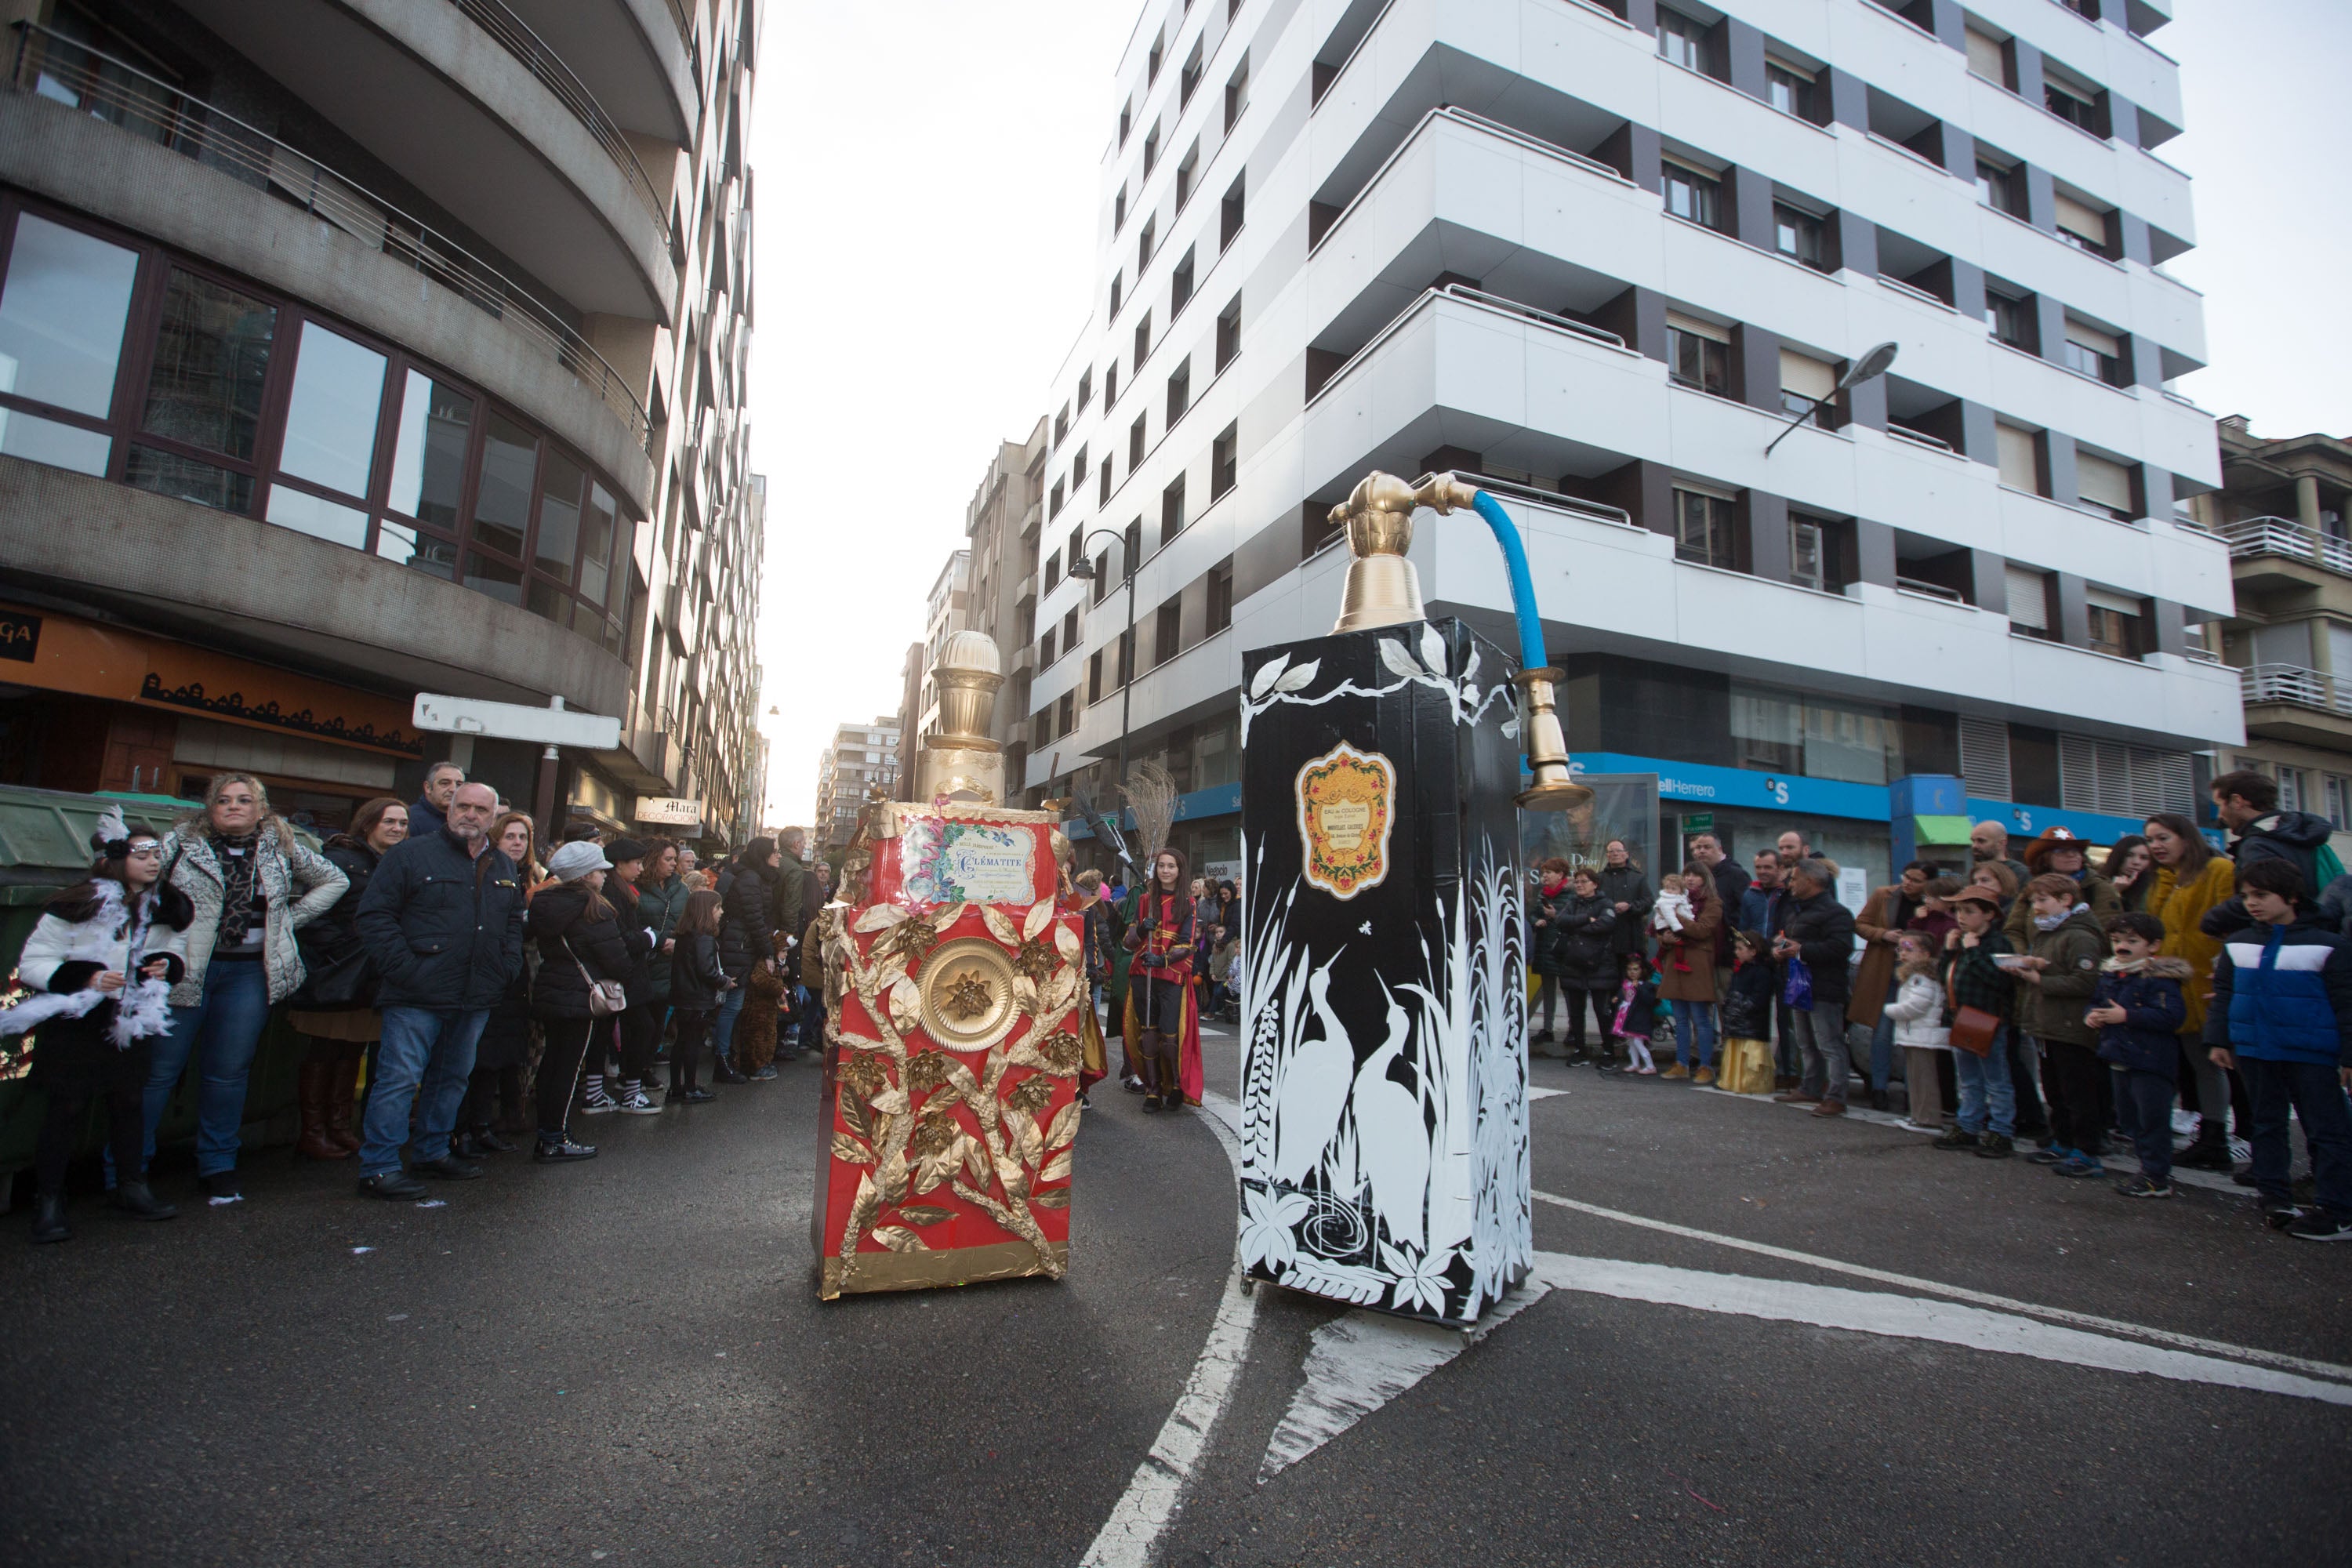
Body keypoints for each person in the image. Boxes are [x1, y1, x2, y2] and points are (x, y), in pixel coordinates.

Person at [132, 775, 347, 1203]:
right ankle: (128, 1168)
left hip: (248, 976)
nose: (234, 806)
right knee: (158, 1073)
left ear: (262, 809)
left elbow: (334, 880)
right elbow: (134, 880)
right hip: (184, 972)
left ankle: (217, 1165)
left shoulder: (280, 848)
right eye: (224, 800)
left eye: (245, 800)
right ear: (209, 808)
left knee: (228, 1074)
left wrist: (287, 921)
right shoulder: (179, 843)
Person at [8, 810, 192, 1242]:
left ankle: (131, 1187)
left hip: (133, 1015)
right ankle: (49, 1200)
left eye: (156, 854)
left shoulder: (167, 903)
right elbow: (33, 963)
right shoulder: (77, 903)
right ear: (115, 857)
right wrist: (86, 976)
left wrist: (169, 965)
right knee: (67, 1107)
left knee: (128, 1104)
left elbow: (175, 947)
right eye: (141, 853)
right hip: (78, 1019)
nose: (152, 861)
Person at [350, 782, 525, 1199]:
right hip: (416, 994)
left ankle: (431, 1151)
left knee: (452, 1079)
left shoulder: (502, 865)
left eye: (480, 809)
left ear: (493, 816)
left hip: (475, 993)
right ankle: (379, 1167)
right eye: (462, 806)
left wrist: (506, 967)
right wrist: (406, 970)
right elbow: (375, 917)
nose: (470, 815)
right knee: (398, 1079)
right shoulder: (410, 855)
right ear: (448, 810)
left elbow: (513, 924)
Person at [2205, 857, 2352, 1240]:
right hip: (2254, 1049)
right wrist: (2219, 1039)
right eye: (2246, 896)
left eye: (2261, 895)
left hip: (2312, 1052)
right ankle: (2274, 1195)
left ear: (2291, 896)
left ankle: (2338, 1209)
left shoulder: (2328, 944)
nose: (2251, 903)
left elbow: (2347, 1003)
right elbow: (2224, 994)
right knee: (2266, 1124)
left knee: (2327, 1129)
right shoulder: (2239, 943)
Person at [285, 796, 406, 1162]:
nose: (398, 829)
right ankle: (313, 1131)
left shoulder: (398, 863)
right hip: (336, 972)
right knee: (324, 1049)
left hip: (372, 974)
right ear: (368, 823)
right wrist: (340, 951)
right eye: (390, 822)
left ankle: (339, 1127)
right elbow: (313, 913)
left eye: (403, 823)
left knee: (353, 1049)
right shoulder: (338, 858)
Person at [524, 841, 638, 1163]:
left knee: (551, 1064)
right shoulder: (594, 909)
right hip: (581, 996)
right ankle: (555, 1137)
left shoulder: (543, 903)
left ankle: (547, 1132)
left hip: (550, 990)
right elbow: (617, 959)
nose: (604, 875)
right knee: (569, 1068)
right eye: (600, 870)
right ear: (587, 875)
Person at [2142, 811, 2243, 1171]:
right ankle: (2210, 1136)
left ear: (2187, 838)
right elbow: (2158, 933)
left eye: (2163, 838)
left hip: (2213, 985)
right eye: (2151, 840)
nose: (2155, 846)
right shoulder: (2166, 879)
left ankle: (2223, 1138)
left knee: (2224, 1064)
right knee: (2200, 1064)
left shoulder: (2218, 871)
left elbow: (2230, 925)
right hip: (2178, 988)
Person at [455, 811, 543, 1156]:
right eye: (510, 837)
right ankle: (460, 1130)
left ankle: (482, 1125)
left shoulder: (526, 876)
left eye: (523, 838)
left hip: (513, 976)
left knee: (498, 1058)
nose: (518, 843)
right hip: (487, 975)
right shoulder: (483, 870)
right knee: (474, 1059)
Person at [2011, 871, 2110, 1180]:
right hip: (2049, 1023)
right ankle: (2063, 1140)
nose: (2036, 907)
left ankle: (2087, 1150)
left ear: (2066, 900)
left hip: (2072, 1025)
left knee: (2079, 1091)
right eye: (2033, 901)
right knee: (2055, 1089)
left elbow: (2087, 980)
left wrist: (2040, 979)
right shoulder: (2047, 931)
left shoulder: (2080, 935)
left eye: (2042, 900)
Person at [2088, 912, 2190, 1199]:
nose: (2122, 946)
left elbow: (2172, 1016)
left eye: (2132, 941)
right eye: (2117, 940)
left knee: (2152, 1118)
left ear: (2153, 946)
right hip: (2118, 1055)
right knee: (2130, 1119)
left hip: (2150, 1060)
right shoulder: (2111, 973)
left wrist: (2126, 1016)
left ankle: (2156, 1175)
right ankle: (2148, 1169)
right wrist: (2092, 1017)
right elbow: (2096, 1003)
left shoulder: (2159, 977)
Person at [2201, 769, 2336, 941]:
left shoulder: (2258, 845)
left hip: (2282, 938)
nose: (2220, 815)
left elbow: (2261, 892)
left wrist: (2212, 921)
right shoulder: (2300, 834)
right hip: (2317, 932)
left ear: (2237, 801)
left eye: (2219, 805)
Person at [1936, 886, 2019, 1157]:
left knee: (1996, 1079)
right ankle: (1968, 1126)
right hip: (1961, 1016)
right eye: (1958, 910)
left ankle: (2001, 1133)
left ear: (1988, 915)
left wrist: (1972, 952)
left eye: (1969, 911)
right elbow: (1944, 977)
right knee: (1969, 1079)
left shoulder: (1998, 943)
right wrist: (1949, 952)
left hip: (1987, 1018)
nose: (1961, 916)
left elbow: (2001, 981)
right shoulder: (1962, 939)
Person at [1771, 858, 1857, 1116]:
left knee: (1829, 1043)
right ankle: (1810, 1086)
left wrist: (1803, 950)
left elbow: (1842, 948)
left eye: (1795, 879)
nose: (1790, 883)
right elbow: (1788, 939)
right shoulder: (1797, 911)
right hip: (1799, 984)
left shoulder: (1837, 912)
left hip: (1824, 987)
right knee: (1805, 1042)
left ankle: (1836, 1096)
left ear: (1810, 881)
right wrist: (1779, 948)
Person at [1853, 860, 1940, 1111]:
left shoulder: (1932, 903)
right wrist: (1884, 935)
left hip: (1919, 974)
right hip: (1886, 970)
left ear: (1928, 884)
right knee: (1882, 1031)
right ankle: (1879, 1087)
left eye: (1915, 880)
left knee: (1916, 1033)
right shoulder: (1885, 895)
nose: (1908, 883)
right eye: (1906, 877)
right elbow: (1860, 924)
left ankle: (1914, 1093)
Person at [1123, 848, 1203, 1112]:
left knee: (1169, 1037)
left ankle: (1177, 1084)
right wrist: (1140, 929)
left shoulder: (1188, 903)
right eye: (1161, 866)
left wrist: (1164, 960)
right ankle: (1153, 1089)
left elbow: (1188, 944)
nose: (1166, 871)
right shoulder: (1145, 900)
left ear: (1180, 871)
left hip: (1170, 975)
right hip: (1143, 973)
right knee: (1148, 1033)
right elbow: (1129, 941)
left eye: (1171, 866)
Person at [713, 837, 780, 1083]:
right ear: (763, 855)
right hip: (738, 947)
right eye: (774, 852)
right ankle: (722, 1059)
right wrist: (768, 952)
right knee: (733, 1005)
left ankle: (727, 1056)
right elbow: (755, 919)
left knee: (735, 1005)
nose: (778, 856)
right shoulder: (751, 878)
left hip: (740, 945)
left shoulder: (753, 876)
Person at [1878, 930, 1951, 1132]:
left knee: (1924, 1079)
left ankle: (1928, 1118)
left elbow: (1917, 1005)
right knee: (1915, 1078)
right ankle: (1918, 1115)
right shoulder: (1914, 976)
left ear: (1926, 953)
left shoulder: (1923, 978)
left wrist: (1890, 1010)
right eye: (1900, 949)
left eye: (1909, 949)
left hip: (1923, 1035)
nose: (1903, 954)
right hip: (1916, 1035)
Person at [2004, 828, 2121, 950]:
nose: (2071, 855)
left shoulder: (2098, 887)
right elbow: (2014, 930)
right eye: (2061, 851)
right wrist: (2024, 959)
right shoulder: (2032, 889)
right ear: (2045, 858)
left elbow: (2108, 933)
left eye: (2075, 851)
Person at [1656, 867, 1719, 1082]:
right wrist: (1664, 937)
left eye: (1695, 875)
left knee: (1701, 1019)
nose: (1690, 879)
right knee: (1680, 1019)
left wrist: (1674, 915)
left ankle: (1705, 1065)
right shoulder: (1672, 898)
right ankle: (1681, 1063)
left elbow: (1702, 930)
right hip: (1676, 960)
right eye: (1687, 875)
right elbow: (1658, 928)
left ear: (1705, 878)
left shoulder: (1712, 902)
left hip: (1698, 963)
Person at [666, 888, 729, 1105]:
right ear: (706, 910)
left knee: (681, 1041)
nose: (721, 912)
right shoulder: (704, 938)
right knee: (692, 1042)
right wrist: (725, 982)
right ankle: (690, 1087)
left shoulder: (685, 934)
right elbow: (706, 970)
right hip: (697, 996)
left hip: (683, 995)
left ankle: (676, 1087)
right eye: (717, 907)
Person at [1552, 868, 1618, 1062]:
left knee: (1601, 1010)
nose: (1580, 885)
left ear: (1595, 884)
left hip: (1600, 963)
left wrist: (1577, 928)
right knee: (1576, 1009)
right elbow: (1560, 920)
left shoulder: (1605, 903)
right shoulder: (1573, 903)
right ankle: (1580, 1050)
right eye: (1578, 882)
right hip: (1574, 963)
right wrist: (1585, 920)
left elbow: (1606, 924)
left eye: (1584, 881)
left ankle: (1608, 1050)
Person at [1717, 931, 1777, 1093]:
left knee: (1750, 1055)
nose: (1736, 952)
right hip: (1738, 1022)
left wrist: (1739, 1007)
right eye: (1736, 949)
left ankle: (1752, 1084)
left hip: (1752, 1024)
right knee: (1736, 1051)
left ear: (1753, 951)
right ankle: (1733, 1081)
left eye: (1740, 949)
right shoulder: (1741, 971)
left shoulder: (1763, 972)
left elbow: (1759, 999)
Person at [1687, 833, 1749, 975]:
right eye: (1697, 848)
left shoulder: (1736, 874)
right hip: (1700, 950)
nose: (1701, 851)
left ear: (1720, 849)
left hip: (1727, 952)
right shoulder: (1696, 877)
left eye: (1707, 847)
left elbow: (1746, 911)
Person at [1527, 859, 1570, 1045]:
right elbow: (1533, 914)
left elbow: (1573, 919)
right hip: (1545, 947)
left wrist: (1555, 916)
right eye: (1544, 873)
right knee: (1548, 991)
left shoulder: (1570, 895)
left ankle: (1573, 1029)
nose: (1544, 877)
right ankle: (1548, 1028)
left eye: (1549, 873)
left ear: (1560, 875)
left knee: (1569, 991)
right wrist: (1536, 920)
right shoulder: (1541, 895)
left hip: (1563, 948)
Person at [1598, 838, 1653, 962]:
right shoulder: (1599, 878)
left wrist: (1630, 906)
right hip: (1604, 938)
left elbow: (1648, 902)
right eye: (1611, 851)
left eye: (1618, 851)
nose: (1615, 854)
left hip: (1631, 938)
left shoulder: (1638, 877)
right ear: (1607, 855)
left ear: (1626, 854)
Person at [1607, 954, 1659, 1076]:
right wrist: (1617, 998)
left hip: (1639, 1019)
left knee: (1637, 1042)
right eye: (1630, 969)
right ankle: (1635, 1063)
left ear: (1642, 971)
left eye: (1636, 969)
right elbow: (1624, 995)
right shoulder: (1626, 985)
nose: (1632, 972)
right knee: (1631, 1041)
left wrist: (1639, 989)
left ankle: (1650, 1065)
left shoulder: (1646, 986)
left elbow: (1649, 1000)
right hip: (1627, 1018)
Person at [1969, 821, 2032, 892]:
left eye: (1981, 841)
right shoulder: (1975, 872)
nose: (1974, 846)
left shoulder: (2020, 873)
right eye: (1973, 841)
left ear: (2001, 843)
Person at [410, 760, 464, 838]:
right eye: (445, 783)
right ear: (428, 787)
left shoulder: (465, 819)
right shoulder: (410, 819)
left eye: (459, 785)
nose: (453, 789)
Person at [2103, 835, 2154, 914]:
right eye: (2129, 855)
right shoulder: (2097, 882)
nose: (2136, 862)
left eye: (2144, 858)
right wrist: (2114, 892)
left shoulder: (2153, 889)